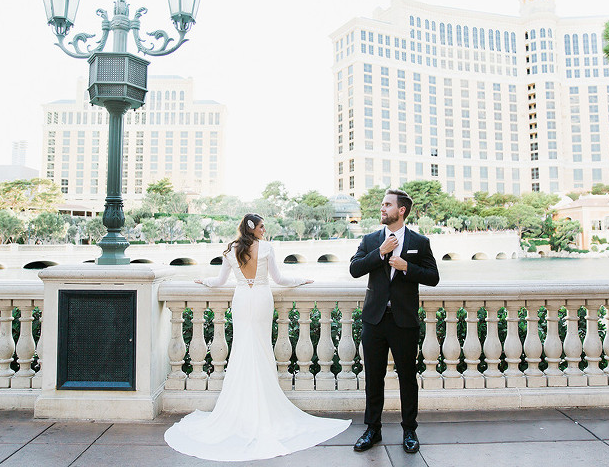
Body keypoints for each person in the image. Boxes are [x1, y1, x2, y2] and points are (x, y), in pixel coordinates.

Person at [164, 213, 350, 462]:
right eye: (262, 226)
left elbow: (219, 282)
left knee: (243, 349)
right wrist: (301, 280)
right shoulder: (267, 248)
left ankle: (241, 408)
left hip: (242, 300)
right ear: (253, 228)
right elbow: (280, 280)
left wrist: (204, 281)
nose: (265, 229)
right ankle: (262, 403)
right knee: (261, 349)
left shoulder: (231, 250)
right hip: (262, 299)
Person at [349, 189, 440, 454]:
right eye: (382, 204)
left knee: (407, 378)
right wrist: (379, 252)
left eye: (387, 204)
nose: (382, 208)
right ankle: (372, 430)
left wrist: (407, 268)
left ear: (401, 210)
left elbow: (433, 277)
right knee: (373, 377)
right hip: (374, 320)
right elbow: (354, 269)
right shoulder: (370, 239)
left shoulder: (419, 242)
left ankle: (409, 430)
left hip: (404, 321)